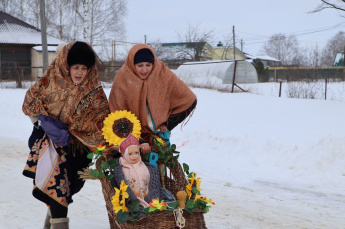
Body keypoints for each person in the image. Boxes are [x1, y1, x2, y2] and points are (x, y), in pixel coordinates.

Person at [22, 41, 112, 229]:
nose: (79, 72)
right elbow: (30, 103)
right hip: (48, 142)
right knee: (57, 182)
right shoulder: (51, 81)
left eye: (84, 68)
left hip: (78, 148)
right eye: (75, 67)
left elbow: (102, 121)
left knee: (68, 189)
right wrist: (45, 124)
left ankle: (51, 223)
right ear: (66, 66)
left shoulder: (94, 91)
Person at [108, 44, 197, 153]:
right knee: (134, 169)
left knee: (158, 168)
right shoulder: (122, 79)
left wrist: (167, 125)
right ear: (132, 64)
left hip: (159, 139)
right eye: (140, 65)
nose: (144, 70)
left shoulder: (162, 73)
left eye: (148, 65)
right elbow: (117, 114)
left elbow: (189, 99)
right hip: (131, 141)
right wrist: (137, 140)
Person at [111, 133, 173, 213]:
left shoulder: (146, 166)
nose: (134, 156)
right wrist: (133, 201)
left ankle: (149, 205)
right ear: (124, 155)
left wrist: (152, 198)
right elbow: (121, 185)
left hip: (148, 198)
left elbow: (153, 184)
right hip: (133, 201)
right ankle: (139, 207)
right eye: (130, 154)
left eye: (136, 153)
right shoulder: (121, 169)